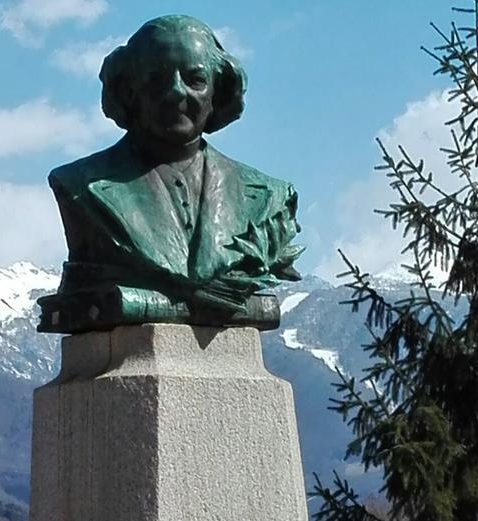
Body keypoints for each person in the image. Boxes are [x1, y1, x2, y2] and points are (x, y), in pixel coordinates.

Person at [39, 15, 303, 333]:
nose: (177, 92)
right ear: (130, 91)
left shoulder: (270, 197)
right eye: (157, 79)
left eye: (195, 80)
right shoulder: (81, 185)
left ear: (217, 92)